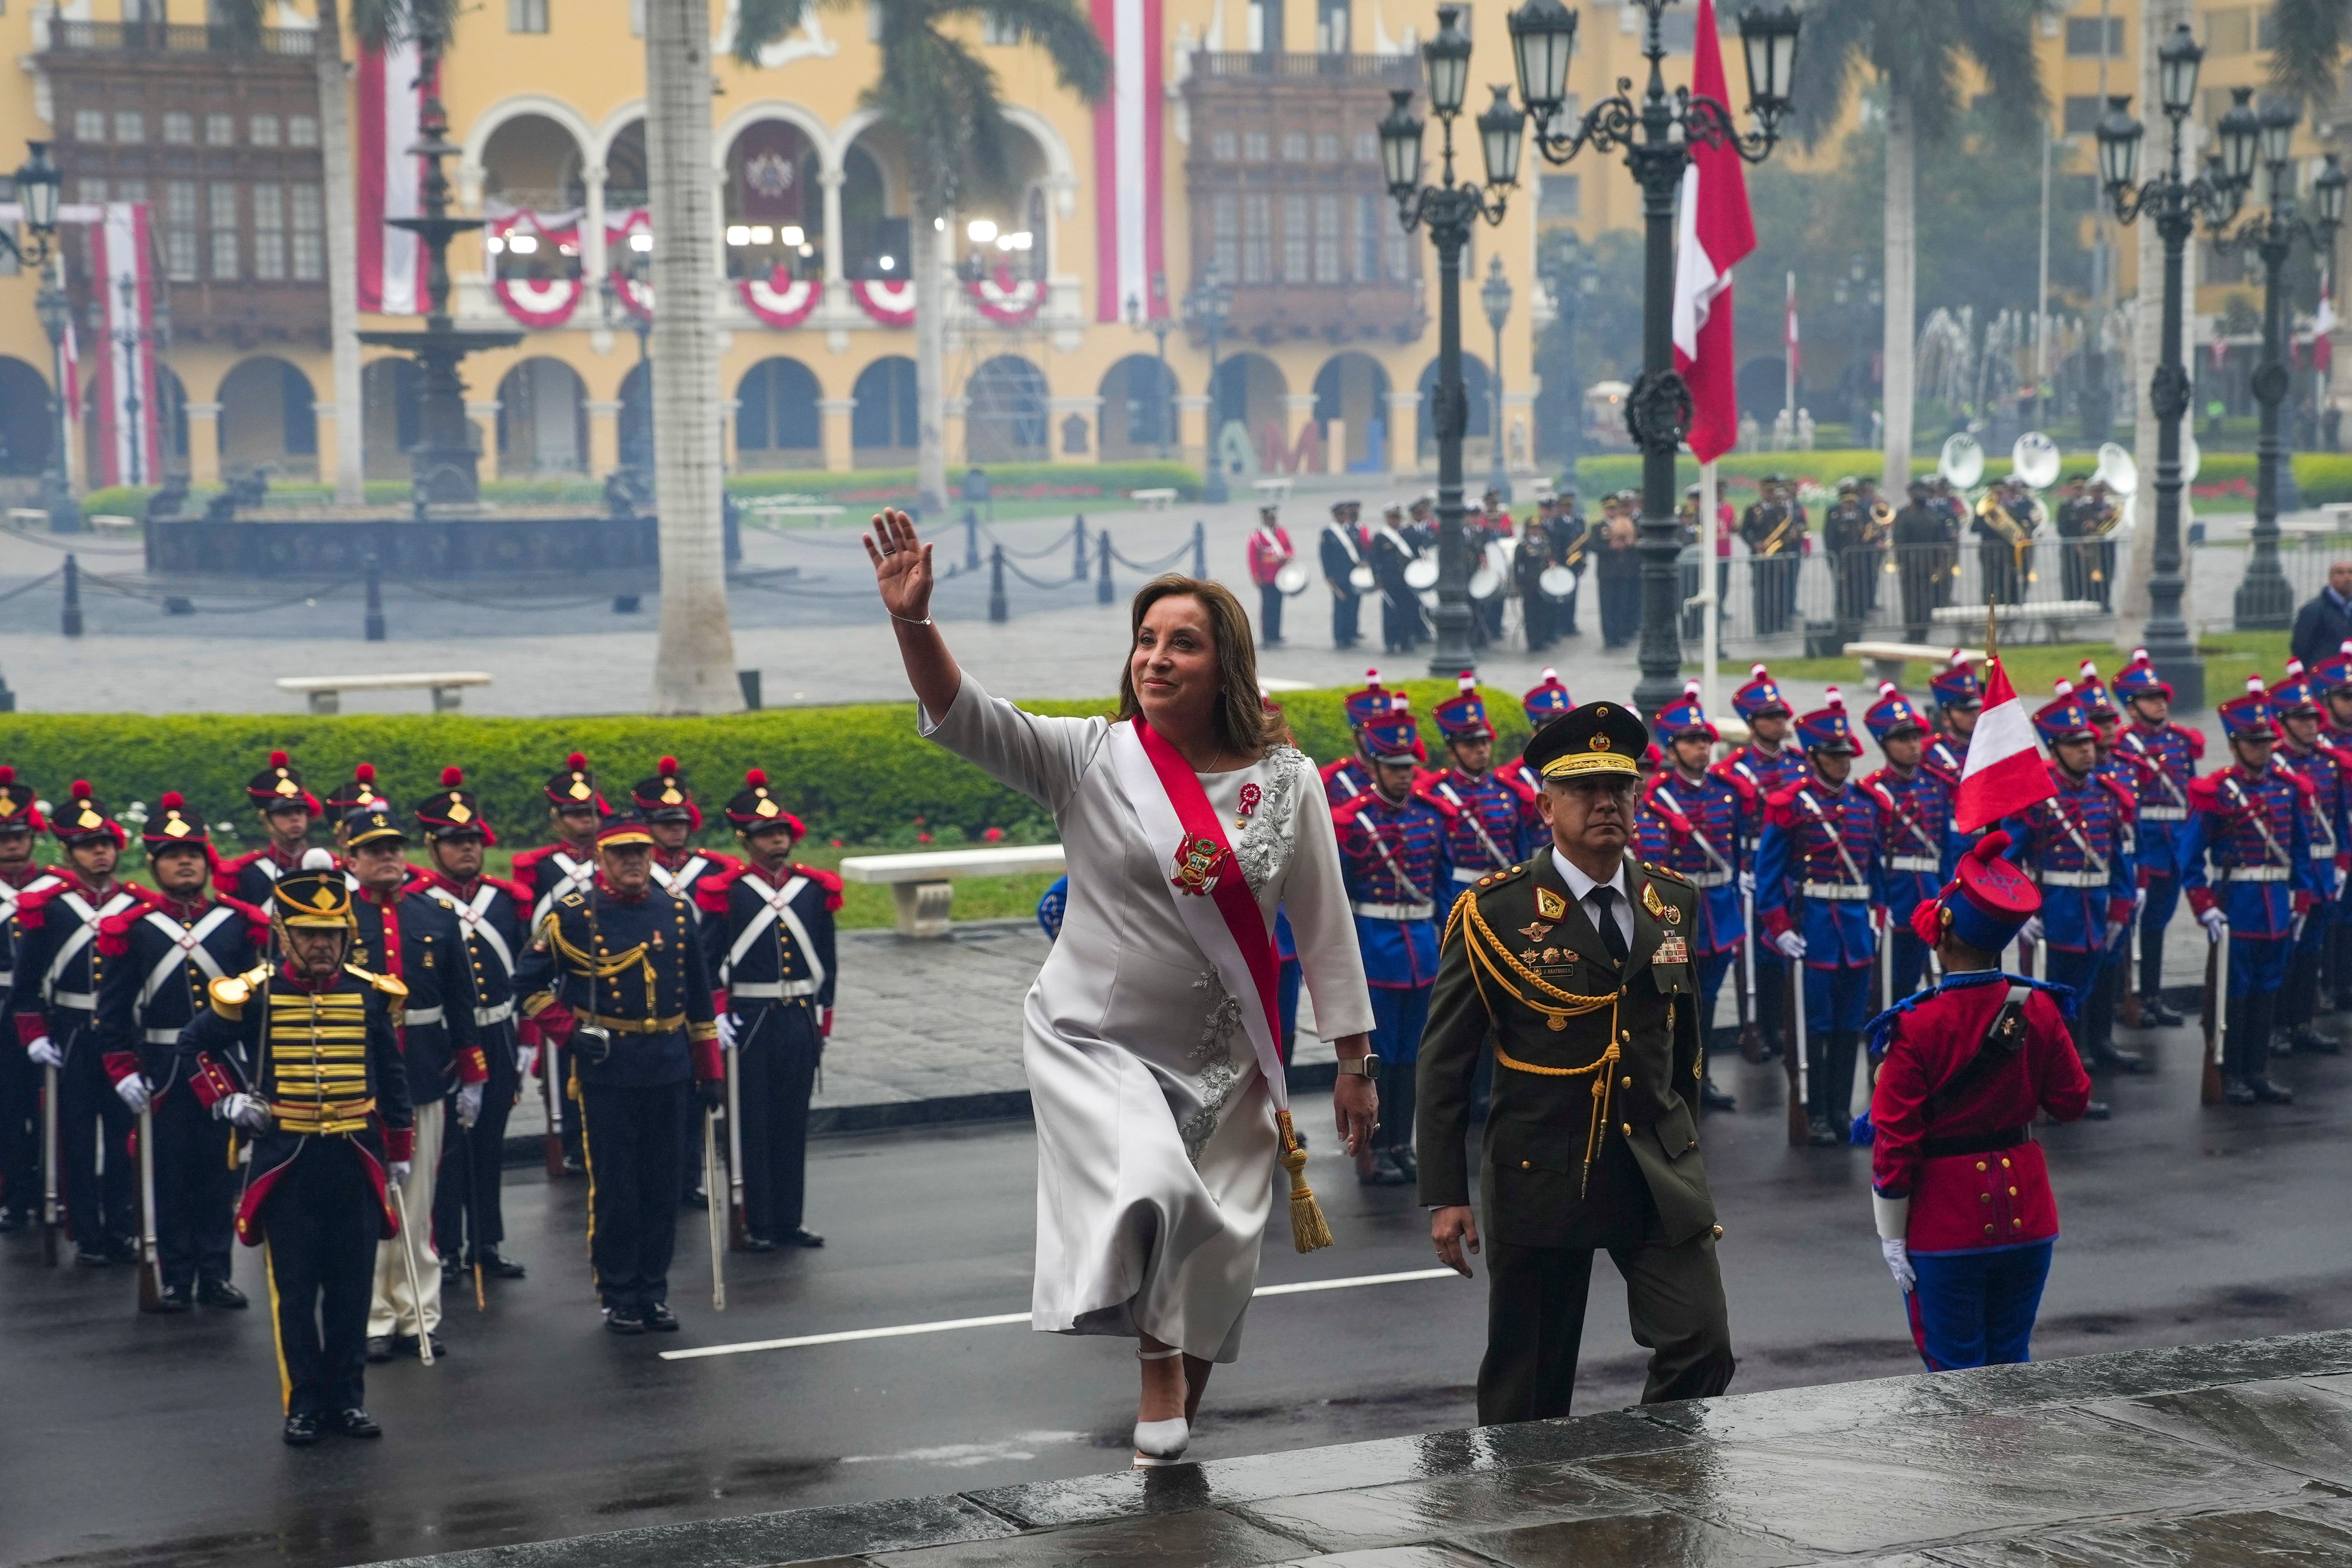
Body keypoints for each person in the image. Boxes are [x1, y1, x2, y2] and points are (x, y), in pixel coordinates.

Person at [866, 508, 1378, 1468]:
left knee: (1219, 1262)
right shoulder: (1089, 757)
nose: (1156, 658)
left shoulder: (1288, 780)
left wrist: (1354, 1062)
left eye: (1182, 643)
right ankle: (1155, 1368)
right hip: (1097, 1042)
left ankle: (1166, 1453)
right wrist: (912, 621)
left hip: (1229, 1065)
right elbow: (965, 715)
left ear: (1225, 666)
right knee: (1152, 1184)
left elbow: (1324, 927)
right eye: (1146, 639)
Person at [1418, 700, 1734, 1425]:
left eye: (1619, 787)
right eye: (1584, 789)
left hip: (1653, 1164)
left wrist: (1684, 1147)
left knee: (1702, 1343)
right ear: (1545, 806)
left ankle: (1645, 1470)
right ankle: (1529, 1498)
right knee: (1528, 1387)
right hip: (1543, 1165)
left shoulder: (1671, 901)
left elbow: (1685, 1046)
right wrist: (1446, 1193)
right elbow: (1445, 1063)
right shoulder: (1496, 912)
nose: (1605, 803)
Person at [188, 853, 412, 1444]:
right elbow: (194, 1046)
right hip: (287, 1163)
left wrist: (399, 1147)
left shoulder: (370, 994)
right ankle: (303, 1403)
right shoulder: (256, 994)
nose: (321, 945)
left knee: (351, 1291)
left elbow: (393, 1075)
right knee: (295, 1294)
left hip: (354, 1159)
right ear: (284, 934)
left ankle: (349, 1401)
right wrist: (228, 1100)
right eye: (310, 934)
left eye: (331, 935)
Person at [1864, 832, 2093, 1371]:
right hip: (2028, 1216)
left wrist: (1891, 1233)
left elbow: (1894, 1142)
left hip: (1946, 1224)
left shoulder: (1916, 1025)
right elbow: (2071, 1101)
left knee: (1956, 1377)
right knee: (2010, 1365)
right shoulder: (2038, 1008)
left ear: (1942, 938)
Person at [515, 817, 725, 1333]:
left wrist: (709, 1070)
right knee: (617, 1189)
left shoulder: (676, 911)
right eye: (621, 853)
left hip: (668, 1065)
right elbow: (527, 983)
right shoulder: (572, 915)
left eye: (640, 852)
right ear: (601, 858)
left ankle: (653, 1291)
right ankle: (619, 1293)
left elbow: (699, 998)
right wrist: (568, 1033)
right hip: (609, 1068)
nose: (633, 861)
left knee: (663, 1187)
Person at [93, 794, 266, 1310]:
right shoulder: (135, 928)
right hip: (163, 1069)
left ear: (208, 862)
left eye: (193, 853)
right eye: (172, 855)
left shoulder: (236, 923)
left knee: (218, 1173)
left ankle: (215, 1273)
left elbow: (255, 1009)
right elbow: (113, 1010)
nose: (185, 862)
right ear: (154, 865)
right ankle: (175, 1275)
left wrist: (257, 1072)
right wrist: (122, 1070)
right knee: (168, 1176)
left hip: (223, 1068)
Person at [345, 801, 484, 1364]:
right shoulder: (337, 918)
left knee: (419, 1204)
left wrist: (473, 1073)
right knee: (368, 1203)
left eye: (394, 848)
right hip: (360, 1078)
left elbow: (461, 1000)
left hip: (424, 1072)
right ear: (351, 860)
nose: (387, 857)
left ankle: (418, 1315)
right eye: (374, 850)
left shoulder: (436, 915)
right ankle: (373, 1317)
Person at [697, 770, 841, 1250]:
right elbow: (708, 960)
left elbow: (827, 963)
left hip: (798, 1018)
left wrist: (822, 1021)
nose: (776, 840)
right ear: (745, 840)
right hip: (750, 1021)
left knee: (791, 1120)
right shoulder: (728, 891)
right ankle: (755, 1221)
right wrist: (718, 1013)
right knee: (751, 1123)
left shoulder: (813, 889)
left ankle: (788, 1220)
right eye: (765, 834)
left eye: (780, 831)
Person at [12, 783, 145, 1265]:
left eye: (106, 844)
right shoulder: (48, 909)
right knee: (76, 1139)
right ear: (70, 854)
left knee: (125, 1137)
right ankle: (87, 1232)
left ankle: (123, 1227)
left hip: (124, 1036)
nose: (101, 853)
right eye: (89, 847)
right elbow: (27, 988)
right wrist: (34, 1037)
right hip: (71, 1033)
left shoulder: (139, 908)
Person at [412, 768, 536, 1286]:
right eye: (455, 842)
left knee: (489, 1144)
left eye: (473, 840)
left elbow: (528, 972)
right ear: (433, 847)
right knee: (447, 1150)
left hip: (498, 1035)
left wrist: (528, 1038)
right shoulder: (419, 904)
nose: (467, 849)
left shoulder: (506, 901)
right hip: (448, 1040)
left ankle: (487, 1242)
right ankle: (446, 1246)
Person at [1997, 682, 2138, 1112]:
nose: (2087, 751)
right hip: (2052, 918)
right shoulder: (2036, 800)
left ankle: (2066, 1090)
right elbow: (2005, 861)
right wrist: (2019, 915)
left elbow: (2118, 863)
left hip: (2093, 917)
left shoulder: (2105, 797)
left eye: (2088, 743)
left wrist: (2119, 913)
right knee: (2038, 1008)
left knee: (2074, 1006)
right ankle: (2022, 1083)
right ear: (2055, 750)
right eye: (2076, 745)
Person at [2181, 677, 2320, 1105]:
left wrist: (2302, 898)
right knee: (2234, 993)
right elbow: (2189, 857)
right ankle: (2232, 1072)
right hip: (2236, 909)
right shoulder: (2217, 793)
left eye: (2266, 741)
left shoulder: (2286, 788)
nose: (2262, 749)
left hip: (2276, 907)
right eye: (2253, 742)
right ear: (2235, 745)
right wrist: (2204, 907)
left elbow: (2301, 851)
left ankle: (2257, 1070)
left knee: (2267, 989)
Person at [1756, 691, 1886, 1145]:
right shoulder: (1791, 805)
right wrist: (1778, 927)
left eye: (1846, 754)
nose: (1843, 762)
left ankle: (1840, 1110)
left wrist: (1877, 915)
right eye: (1833, 755)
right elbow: (1768, 873)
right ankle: (1812, 1111)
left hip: (1856, 931)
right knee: (1816, 1023)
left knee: (1850, 1023)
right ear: (1813, 757)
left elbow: (1875, 869)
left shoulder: (1866, 804)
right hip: (1813, 927)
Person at [1333, 700, 1452, 1186]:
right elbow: (1339, 897)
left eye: (1408, 768)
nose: (1404, 776)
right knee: (1377, 1058)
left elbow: (1441, 889)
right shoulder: (1352, 822)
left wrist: (1447, 938)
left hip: (1420, 952)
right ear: (1374, 767)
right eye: (1394, 768)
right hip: (1375, 950)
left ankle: (1402, 1143)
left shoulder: (1431, 817)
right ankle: (1374, 1149)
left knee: (1412, 1057)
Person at [631, 757, 736, 1209]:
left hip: (703, 997)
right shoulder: (635, 873)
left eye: (680, 822)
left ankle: (688, 1179)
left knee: (700, 1092)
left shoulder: (714, 871)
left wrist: (720, 1003)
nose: (675, 830)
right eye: (664, 823)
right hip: (652, 998)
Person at [1638, 681, 1743, 1112]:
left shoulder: (1726, 792)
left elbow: (1735, 852)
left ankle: (1702, 1076)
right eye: (1690, 741)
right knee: (1674, 1001)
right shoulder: (1658, 798)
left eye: (1704, 740)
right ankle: (1673, 1079)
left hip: (1720, 910)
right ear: (1672, 748)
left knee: (1709, 999)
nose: (1701, 748)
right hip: (1678, 914)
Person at [512, 752, 611, 1171]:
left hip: (607, 974)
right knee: (563, 1077)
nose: (585, 821)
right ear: (557, 819)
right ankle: (570, 1145)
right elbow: (527, 931)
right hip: (558, 981)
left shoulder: (611, 860)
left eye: (590, 813)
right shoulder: (540, 868)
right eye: (574, 814)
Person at [1713, 664, 1806, 1061]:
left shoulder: (1800, 765)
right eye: (1770, 717)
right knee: (1750, 954)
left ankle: (1780, 1023)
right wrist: (1739, 870)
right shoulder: (1733, 771)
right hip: (1751, 866)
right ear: (1752, 724)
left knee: (1783, 949)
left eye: (1781, 714)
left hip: (1789, 869)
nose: (1780, 722)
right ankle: (1753, 1028)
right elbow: (1725, 826)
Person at [2111, 649, 2202, 1026]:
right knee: (2127, 923)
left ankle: (2151, 994)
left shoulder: (2180, 741)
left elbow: (2190, 791)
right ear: (2132, 707)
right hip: (2144, 845)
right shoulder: (2122, 746)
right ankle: (2123, 997)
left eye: (2161, 697)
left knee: (2157, 922)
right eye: (2150, 699)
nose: (2160, 703)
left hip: (2174, 845)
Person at [2265, 661, 2350, 1059]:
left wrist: (2342, 864)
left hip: (2324, 870)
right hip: (2291, 874)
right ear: (2284, 723)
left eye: (2314, 718)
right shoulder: (2274, 765)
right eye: (2302, 719)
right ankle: (2276, 1025)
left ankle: (2302, 1023)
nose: (2312, 725)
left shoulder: (2330, 763)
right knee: (2285, 951)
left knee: (2312, 950)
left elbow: (2340, 820)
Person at [1862, 682, 1959, 1006]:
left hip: (1928, 895)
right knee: (1885, 982)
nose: (1913, 746)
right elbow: (1871, 855)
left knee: (1919, 978)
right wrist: (1878, 901)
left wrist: (1947, 894)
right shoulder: (1874, 791)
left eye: (1916, 737)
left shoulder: (1935, 787)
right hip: (1895, 894)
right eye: (1903, 739)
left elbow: (1944, 851)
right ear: (1885, 744)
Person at [0, 768, 59, 1234]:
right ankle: (13, 1194)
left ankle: (52, 1189)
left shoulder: (57, 890)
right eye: (3, 839)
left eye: (18, 836)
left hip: (46, 1010)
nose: (11, 846)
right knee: (7, 1107)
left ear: (32, 838)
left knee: (52, 1108)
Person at [1425, 672, 1542, 891]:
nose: (1481, 750)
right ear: (1452, 753)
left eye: (1484, 742)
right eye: (1470, 745)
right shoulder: (1438, 796)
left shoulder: (1508, 792)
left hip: (1506, 888)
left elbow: (1521, 849)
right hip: (1461, 890)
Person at [218, 750, 325, 905]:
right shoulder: (248, 876)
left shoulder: (328, 868)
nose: (295, 818)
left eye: (300, 812)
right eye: (285, 813)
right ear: (267, 821)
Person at [1740, 475, 1804, 636]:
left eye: (1772, 492)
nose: (1770, 494)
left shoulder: (1781, 510)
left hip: (1777, 555)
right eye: (1767, 492)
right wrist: (1755, 543)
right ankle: (1762, 627)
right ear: (1762, 491)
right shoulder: (1753, 509)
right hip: (1760, 556)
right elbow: (1744, 531)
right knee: (1761, 593)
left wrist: (1784, 552)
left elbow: (1786, 534)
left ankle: (1777, 623)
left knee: (1778, 592)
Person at [1320, 669, 1390, 806]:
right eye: (1368, 732)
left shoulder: (1412, 779)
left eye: (1382, 731)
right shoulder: (1333, 782)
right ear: (1355, 737)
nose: (1376, 738)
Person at [1890, 482, 1947, 643]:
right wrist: (1938, 564)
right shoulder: (1933, 515)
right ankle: (1922, 632)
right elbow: (1940, 541)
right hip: (1927, 563)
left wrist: (1900, 562)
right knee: (1925, 598)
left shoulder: (1904, 515)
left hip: (1910, 563)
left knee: (1911, 599)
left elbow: (1899, 540)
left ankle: (1913, 633)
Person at [1368, 503, 1425, 654]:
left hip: (1407, 580)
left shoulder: (1409, 534)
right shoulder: (1381, 537)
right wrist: (1377, 579)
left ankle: (1406, 640)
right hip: (1390, 581)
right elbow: (1374, 559)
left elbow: (1418, 552)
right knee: (1391, 613)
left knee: (1409, 611)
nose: (1395, 521)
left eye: (1398, 518)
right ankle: (1391, 642)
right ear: (1387, 519)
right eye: (1393, 518)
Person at [1318, 500, 1369, 650]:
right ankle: (1340, 636)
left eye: (1344, 514)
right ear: (1335, 516)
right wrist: (1328, 576)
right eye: (1340, 514)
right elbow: (1325, 556)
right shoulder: (1328, 533)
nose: (1342, 517)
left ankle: (1351, 633)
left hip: (1354, 575)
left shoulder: (1353, 530)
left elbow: (1361, 550)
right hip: (1338, 577)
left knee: (1354, 605)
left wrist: (1364, 561)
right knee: (1341, 606)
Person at [2288, 560, 2352, 671]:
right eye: (2340, 573)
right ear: (2331, 579)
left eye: (2351, 573)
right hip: (2324, 674)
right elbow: (2301, 647)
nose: (2347, 577)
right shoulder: (2313, 610)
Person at [1246, 505, 1293, 649]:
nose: (1271, 521)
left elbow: (1290, 549)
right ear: (1264, 519)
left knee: (1278, 605)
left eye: (1273, 518)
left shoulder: (1282, 532)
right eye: (1269, 518)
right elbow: (1253, 557)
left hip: (1281, 576)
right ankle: (1267, 635)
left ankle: (1276, 634)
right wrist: (1256, 576)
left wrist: (1287, 556)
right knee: (1267, 607)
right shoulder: (1257, 536)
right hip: (1266, 577)